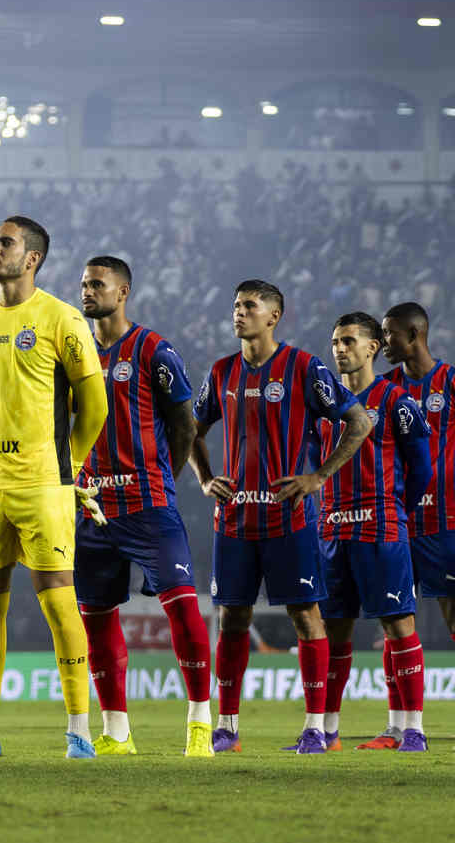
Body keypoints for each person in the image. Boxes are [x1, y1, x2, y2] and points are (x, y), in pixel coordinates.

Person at [190, 280, 370, 754]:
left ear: (274, 317)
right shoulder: (221, 371)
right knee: (231, 617)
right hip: (234, 519)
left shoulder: (303, 368)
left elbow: (359, 421)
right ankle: (226, 728)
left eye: (250, 306)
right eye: (236, 305)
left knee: (306, 617)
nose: (239, 312)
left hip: (289, 518)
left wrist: (318, 477)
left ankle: (315, 729)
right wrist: (205, 477)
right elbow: (191, 428)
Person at [0, 216, 109, 759]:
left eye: (5, 242)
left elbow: (95, 405)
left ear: (32, 258)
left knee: (60, 605)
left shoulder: (62, 319)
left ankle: (78, 731)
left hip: (43, 485)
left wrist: (71, 466)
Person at [74, 256, 213, 758]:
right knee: (96, 618)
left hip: (148, 503)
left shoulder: (154, 349)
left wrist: (163, 479)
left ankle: (200, 724)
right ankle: (117, 731)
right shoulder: (73, 351)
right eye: (84, 284)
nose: (87, 291)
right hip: (92, 506)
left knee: (183, 607)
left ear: (123, 291)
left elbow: (184, 424)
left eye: (97, 284)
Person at [376, 302, 455, 751]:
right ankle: (400, 727)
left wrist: (451, 506)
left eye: (389, 333)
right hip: (394, 525)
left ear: (414, 334)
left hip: (439, 527)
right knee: (394, 624)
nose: (384, 342)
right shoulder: (385, 388)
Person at [316, 312, 433, 753]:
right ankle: (326, 731)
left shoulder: (396, 402)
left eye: (349, 340)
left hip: (380, 527)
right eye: (335, 341)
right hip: (332, 530)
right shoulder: (323, 402)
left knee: (398, 625)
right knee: (334, 631)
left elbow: (421, 470)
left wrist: (395, 510)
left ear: (373, 348)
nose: (340, 349)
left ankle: (413, 729)